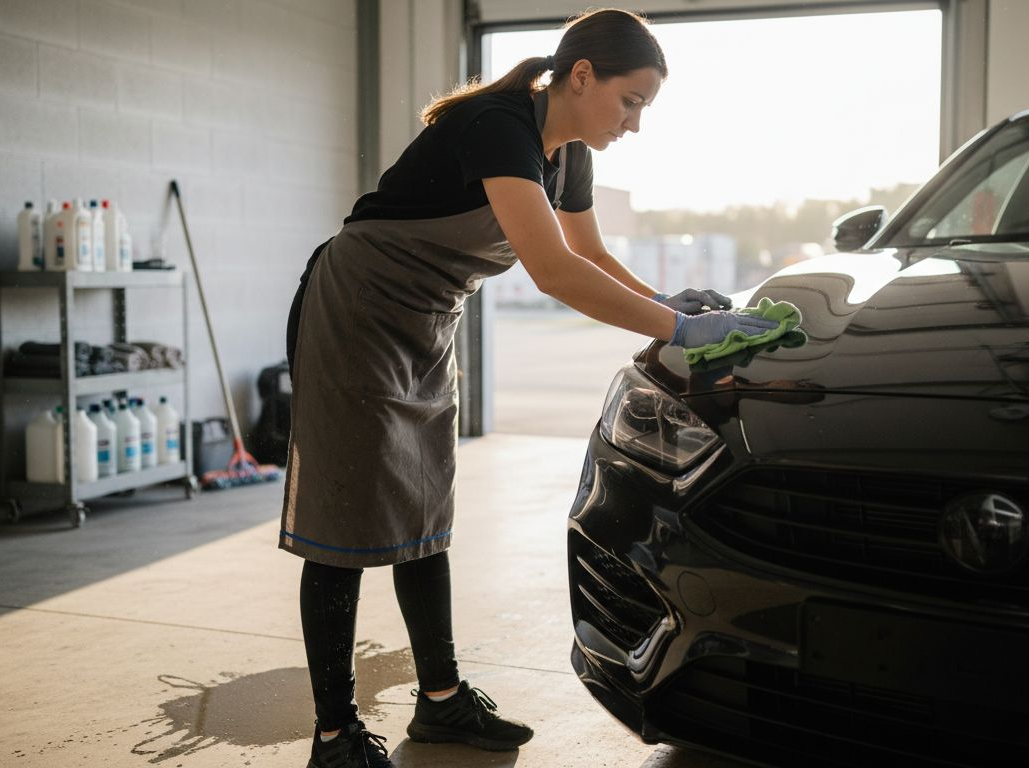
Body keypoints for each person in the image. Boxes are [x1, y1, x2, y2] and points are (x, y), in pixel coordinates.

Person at [281, 8, 779, 768]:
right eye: (631, 102)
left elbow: (589, 252)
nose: (635, 125)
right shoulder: (498, 124)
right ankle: (333, 736)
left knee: (424, 502)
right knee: (344, 515)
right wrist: (675, 334)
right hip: (358, 311)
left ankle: (441, 704)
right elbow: (552, 271)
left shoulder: (567, 148)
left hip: (424, 320)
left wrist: (667, 306)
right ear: (583, 76)